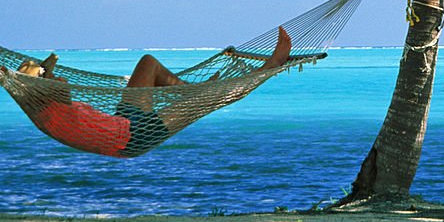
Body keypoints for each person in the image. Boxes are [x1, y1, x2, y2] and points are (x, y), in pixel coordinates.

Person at [18, 26, 292, 157]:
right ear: (42, 88)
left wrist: (43, 79)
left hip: (122, 120)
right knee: (210, 100)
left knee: (148, 63)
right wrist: (48, 81)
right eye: (49, 75)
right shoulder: (54, 107)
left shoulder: (48, 106)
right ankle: (271, 65)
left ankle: (192, 90)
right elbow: (61, 87)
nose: (57, 75)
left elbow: (58, 86)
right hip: (132, 138)